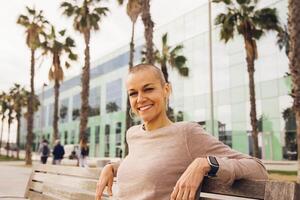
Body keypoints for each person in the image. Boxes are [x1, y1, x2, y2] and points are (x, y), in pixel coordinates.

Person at [95, 64, 268, 200]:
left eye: (148, 89)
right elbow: (150, 162)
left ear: (166, 90)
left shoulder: (186, 133)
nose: (140, 99)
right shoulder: (132, 134)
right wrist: (113, 167)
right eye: (133, 93)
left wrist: (206, 163)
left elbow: (258, 169)